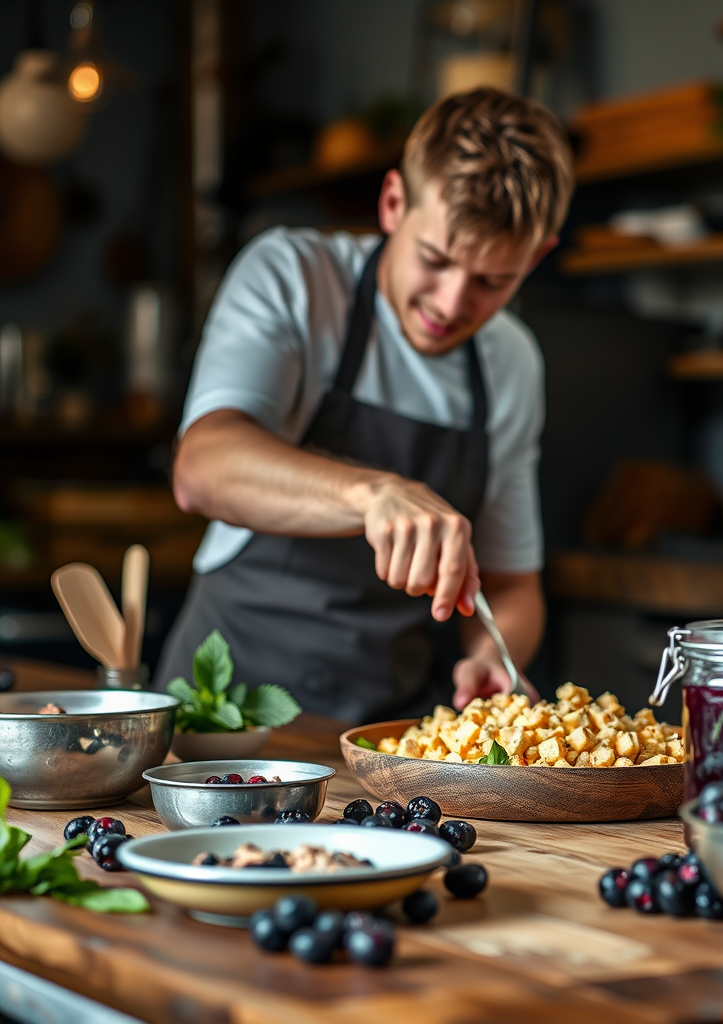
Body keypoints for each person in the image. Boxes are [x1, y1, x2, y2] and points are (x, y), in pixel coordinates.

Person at [155, 87, 574, 724]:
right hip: (223, 720)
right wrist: (372, 494)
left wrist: (495, 654)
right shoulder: (293, 277)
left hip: (387, 734)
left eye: (493, 281)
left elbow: (513, 585)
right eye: (434, 260)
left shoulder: (512, 361)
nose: (452, 303)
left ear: (537, 257)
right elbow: (202, 467)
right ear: (393, 203)